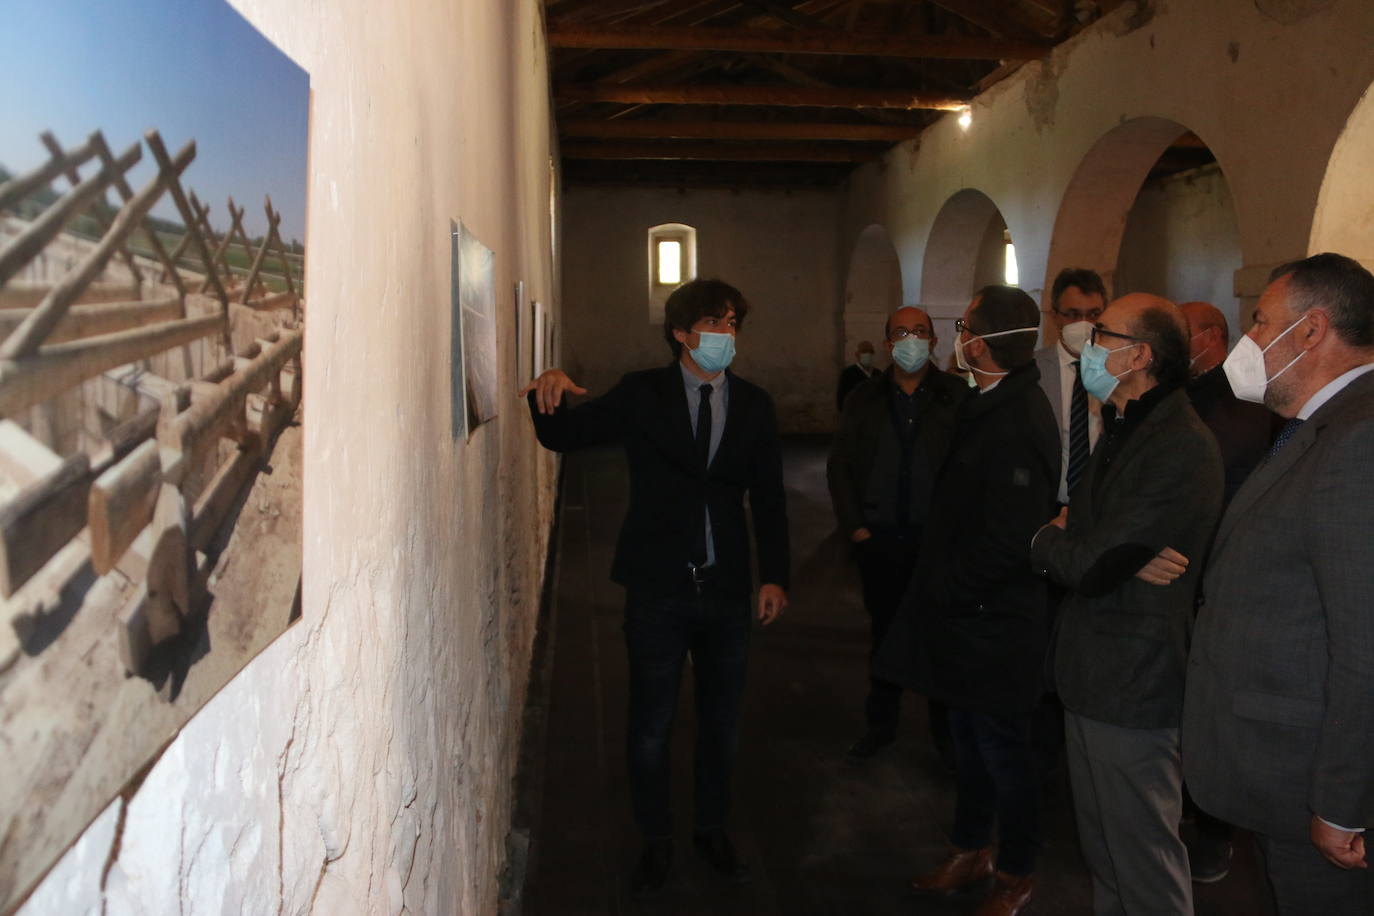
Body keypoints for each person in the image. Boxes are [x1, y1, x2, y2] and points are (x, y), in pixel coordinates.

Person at [520, 278, 790, 898]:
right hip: (658, 591)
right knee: (651, 724)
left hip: (725, 592)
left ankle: (712, 830)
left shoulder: (754, 405)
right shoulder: (644, 394)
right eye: (713, 325)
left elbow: (770, 497)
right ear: (681, 333)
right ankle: (654, 839)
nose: (724, 336)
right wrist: (548, 388)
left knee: (721, 723)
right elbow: (566, 436)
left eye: (731, 324)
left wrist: (774, 574)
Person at [1183, 253, 1374, 915]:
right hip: (1277, 772)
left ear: (1313, 331)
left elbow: (1365, 642)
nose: (1250, 341)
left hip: (1312, 784)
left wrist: (1342, 804)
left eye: (1261, 322)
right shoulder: (1317, 427)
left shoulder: (1358, 438)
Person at [1030, 293, 1223, 916]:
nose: (1086, 341)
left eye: (1101, 333)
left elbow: (1087, 563)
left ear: (1137, 355)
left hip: (1133, 681)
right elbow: (1100, 549)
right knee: (1106, 856)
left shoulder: (1177, 443)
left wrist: (1044, 538)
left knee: (1144, 864)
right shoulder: (1121, 426)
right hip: (1095, 671)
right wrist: (1098, 547)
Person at [889, 286, 1059, 916]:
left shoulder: (1016, 416)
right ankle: (971, 849)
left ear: (979, 345)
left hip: (995, 620)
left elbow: (1009, 539)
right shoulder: (986, 400)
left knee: (1005, 753)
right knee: (968, 743)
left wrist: (951, 592)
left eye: (962, 326)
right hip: (968, 618)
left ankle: (1016, 873)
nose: (956, 335)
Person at [826, 306, 968, 761]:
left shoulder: (956, 397)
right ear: (888, 343)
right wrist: (857, 530)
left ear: (934, 341)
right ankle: (881, 724)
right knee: (885, 636)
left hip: (937, 542)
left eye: (921, 332)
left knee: (940, 636)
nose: (912, 340)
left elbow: (971, 467)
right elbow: (841, 467)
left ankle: (944, 732)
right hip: (881, 539)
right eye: (902, 332)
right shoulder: (864, 399)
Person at [1177, 299, 1279, 884]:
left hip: (1224, 577)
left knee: (1215, 708)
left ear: (1210, 336)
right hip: (1194, 575)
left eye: (1262, 321)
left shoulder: (1242, 408)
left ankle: (1214, 830)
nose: (1254, 334)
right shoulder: (1193, 396)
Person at [1182, 300, 1280, 507]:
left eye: (1182, 334)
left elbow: (1223, 461)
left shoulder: (1242, 390)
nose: (1175, 344)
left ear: (1211, 336)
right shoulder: (1181, 386)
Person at [1035, 268, 1107, 507]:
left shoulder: (1119, 370)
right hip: (1046, 504)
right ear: (1055, 315)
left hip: (1100, 505)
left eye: (1093, 314)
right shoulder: (1033, 372)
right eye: (1074, 314)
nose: (1084, 325)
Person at [836, 339, 878, 410]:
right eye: (864, 351)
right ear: (857, 355)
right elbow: (841, 398)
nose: (868, 354)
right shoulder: (848, 373)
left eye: (870, 352)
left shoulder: (878, 374)